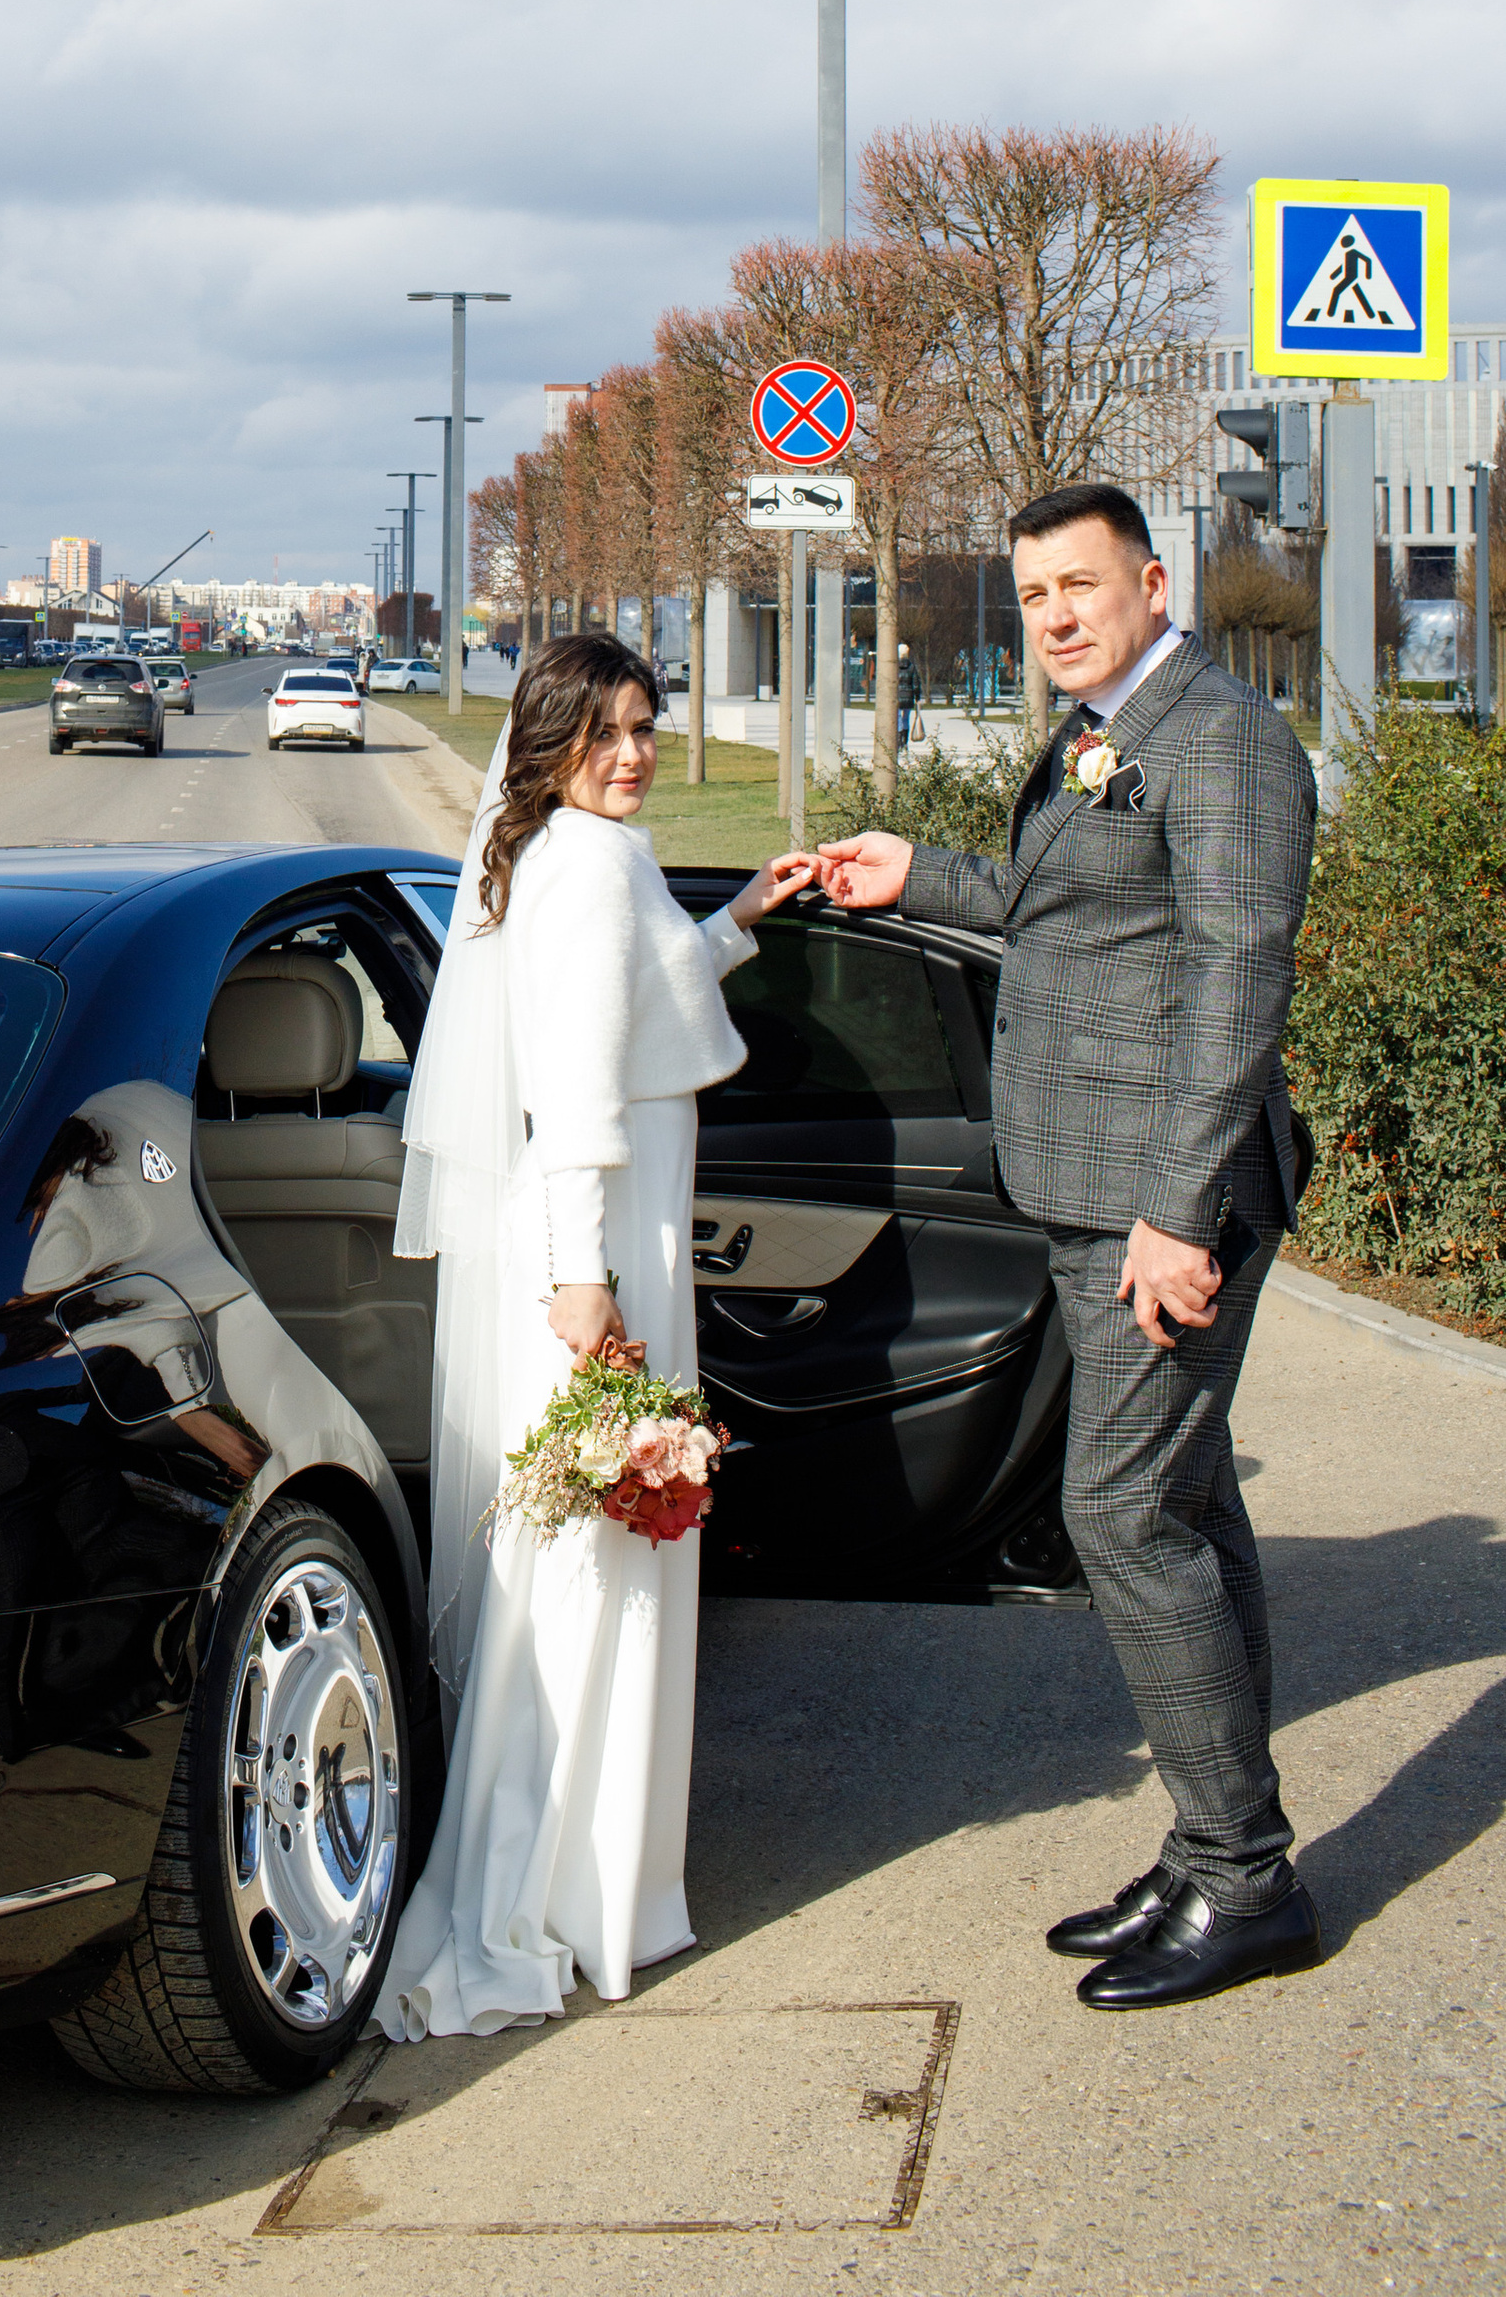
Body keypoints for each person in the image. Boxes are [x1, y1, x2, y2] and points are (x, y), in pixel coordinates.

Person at [819, 482, 1320, 2012]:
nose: (1053, 615)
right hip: (1084, 1183)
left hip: (1161, 1201)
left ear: (1153, 583)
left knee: (1118, 1517)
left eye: (1081, 586)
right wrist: (929, 877)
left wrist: (1179, 1214)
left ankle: (1245, 1880)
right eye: (1035, 594)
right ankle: (1214, 1838)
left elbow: (1240, 976)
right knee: (1187, 1506)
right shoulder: (1100, 727)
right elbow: (1075, 916)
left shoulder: (1220, 736)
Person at [375, 634, 814, 2039]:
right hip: (598, 1254)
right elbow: (573, 1099)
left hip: (609, 1248)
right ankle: (557, 1897)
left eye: (646, 724)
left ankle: (592, 1884)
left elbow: (644, 997)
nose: (633, 750)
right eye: (606, 729)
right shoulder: (585, 867)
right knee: (586, 1573)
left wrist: (744, 912)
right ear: (553, 737)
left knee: (594, 1559)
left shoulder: (577, 859)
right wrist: (582, 1288)